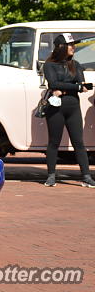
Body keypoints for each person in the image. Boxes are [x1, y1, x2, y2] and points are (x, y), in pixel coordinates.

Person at [43, 33, 95, 188]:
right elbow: (53, 83)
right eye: (71, 45)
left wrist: (69, 88)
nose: (74, 47)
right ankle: (51, 176)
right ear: (61, 47)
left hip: (73, 107)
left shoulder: (76, 64)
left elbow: (82, 86)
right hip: (55, 108)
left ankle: (86, 176)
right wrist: (75, 87)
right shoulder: (49, 65)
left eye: (74, 45)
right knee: (54, 142)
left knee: (79, 142)